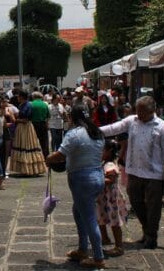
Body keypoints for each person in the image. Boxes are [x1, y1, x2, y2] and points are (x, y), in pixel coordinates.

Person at [100, 96, 164, 249]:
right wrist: (93, 131)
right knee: (135, 202)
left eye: (142, 112)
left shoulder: (162, 126)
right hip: (134, 171)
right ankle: (146, 230)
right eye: (137, 110)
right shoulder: (132, 121)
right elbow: (114, 128)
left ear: (152, 111)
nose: (138, 114)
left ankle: (151, 236)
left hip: (153, 173)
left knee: (153, 207)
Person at [46, 101, 105, 269]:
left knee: (89, 217)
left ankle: (98, 257)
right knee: (78, 211)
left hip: (82, 179)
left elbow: (60, 155)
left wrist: (49, 158)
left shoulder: (74, 134)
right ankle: (82, 248)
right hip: (97, 176)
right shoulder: (97, 132)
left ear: (73, 117)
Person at [96, 139, 128, 257]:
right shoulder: (104, 163)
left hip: (110, 198)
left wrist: (97, 179)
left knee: (114, 221)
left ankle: (119, 246)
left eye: (102, 150)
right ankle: (104, 238)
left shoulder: (109, 165)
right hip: (103, 197)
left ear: (109, 151)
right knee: (101, 217)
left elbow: (111, 179)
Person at [9, 91, 47, 176]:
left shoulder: (28, 105)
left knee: (27, 146)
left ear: (22, 97)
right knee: (22, 146)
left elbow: (26, 120)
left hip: (26, 127)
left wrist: (15, 120)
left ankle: (30, 169)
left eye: (19, 96)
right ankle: (24, 169)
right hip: (21, 128)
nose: (17, 98)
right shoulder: (21, 105)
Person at [29, 92, 50, 157]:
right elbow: (48, 116)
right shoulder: (45, 104)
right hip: (43, 124)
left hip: (33, 124)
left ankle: (34, 156)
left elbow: (29, 115)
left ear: (33, 97)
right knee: (44, 142)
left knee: (33, 141)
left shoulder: (31, 104)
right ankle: (46, 157)